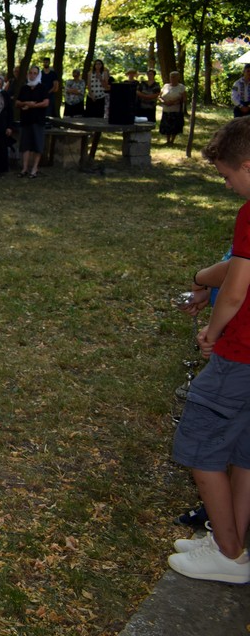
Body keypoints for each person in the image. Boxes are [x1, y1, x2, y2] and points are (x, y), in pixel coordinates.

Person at [167, 116, 250, 584]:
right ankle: (231, 540)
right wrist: (202, 279)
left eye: (226, 176)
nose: (227, 186)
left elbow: (236, 289)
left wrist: (212, 333)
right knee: (243, 451)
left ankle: (227, 552)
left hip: (241, 353)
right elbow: (234, 265)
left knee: (199, 446)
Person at [17, 66, 50, 178]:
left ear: (38, 74)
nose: (32, 75)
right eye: (30, 73)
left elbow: (46, 103)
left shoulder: (42, 88)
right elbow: (17, 102)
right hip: (26, 120)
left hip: (38, 120)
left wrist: (33, 105)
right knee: (25, 145)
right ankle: (25, 168)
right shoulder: (24, 88)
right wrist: (25, 103)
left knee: (37, 144)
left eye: (35, 73)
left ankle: (34, 168)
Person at [160, 71, 188, 147]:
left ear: (178, 78)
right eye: (171, 77)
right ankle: (167, 140)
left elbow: (184, 99)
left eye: (174, 77)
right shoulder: (166, 86)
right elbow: (159, 96)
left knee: (174, 125)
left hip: (176, 110)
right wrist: (163, 101)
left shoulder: (181, 87)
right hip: (166, 109)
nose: (172, 78)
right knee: (167, 125)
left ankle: (172, 140)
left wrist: (174, 102)